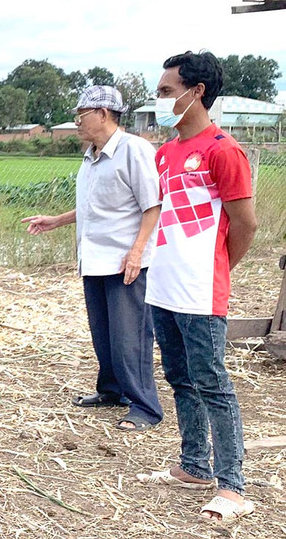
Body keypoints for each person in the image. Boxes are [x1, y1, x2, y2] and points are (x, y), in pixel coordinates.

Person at [136, 51, 257, 522]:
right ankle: (193, 466)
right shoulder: (166, 153)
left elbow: (244, 224)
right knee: (179, 377)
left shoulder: (223, 150)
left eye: (167, 91)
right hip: (163, 285)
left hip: (200, 290)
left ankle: (233, 486)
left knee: (213, 383)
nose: (162, 98)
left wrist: (218, 270)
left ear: (197, 92)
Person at [22, 85, 163, 432]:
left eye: (81, 115)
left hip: (124, 262)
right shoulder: (91, 155)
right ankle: (112, 391)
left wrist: (136, 252)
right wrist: (56, 220)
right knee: (104, 334)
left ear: (103, 114)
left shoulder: (134, 151)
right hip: (95, 259)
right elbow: (93, 207)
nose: (77, 122)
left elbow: (152, 205)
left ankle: (144, 406)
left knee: (130, 335)